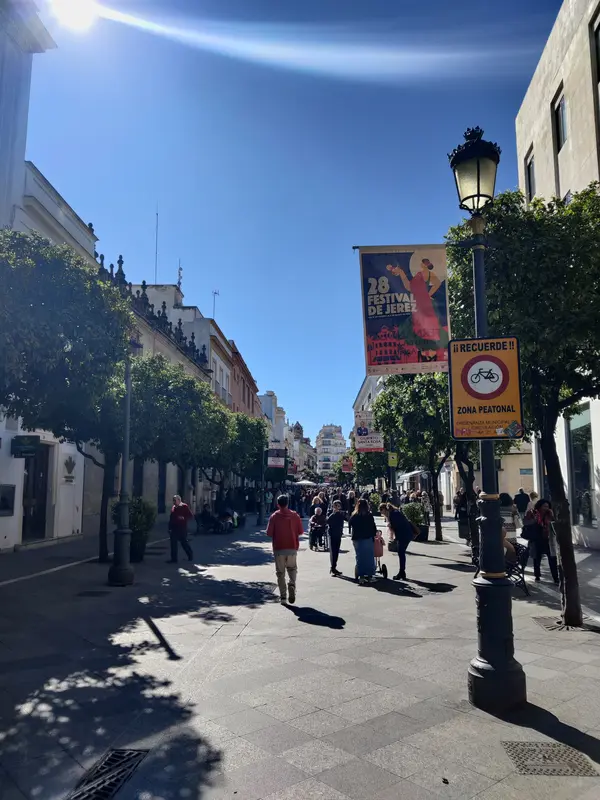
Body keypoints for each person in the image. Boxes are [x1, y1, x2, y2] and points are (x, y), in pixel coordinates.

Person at [266, 495, 303, 603]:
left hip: (279, 548)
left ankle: (283, 597)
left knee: (280, 573)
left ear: (278, 504)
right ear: (288, 503)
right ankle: (292, 583)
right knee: (292, 568)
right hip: (292, 547)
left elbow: (269, 533)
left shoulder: (274, 516)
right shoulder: (295, 515)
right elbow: (300, 532)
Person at [381, 503, 418, 581]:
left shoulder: (393, 515)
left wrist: (391, 527)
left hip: (403, 535)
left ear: (385, 509)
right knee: (401, 553)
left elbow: (397, 527)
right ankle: (402, 572)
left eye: (382, 512)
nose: (382, 514)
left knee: (401, 553)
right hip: (406, 534)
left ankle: (402, 572)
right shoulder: (395, 512)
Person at [348, 498, 377, 584]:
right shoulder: (369, 515)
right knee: (369, 557)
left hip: (357, 538)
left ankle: (361, 577)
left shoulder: (354, 515)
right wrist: (374, 534)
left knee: (360, 557)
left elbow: (350, 523)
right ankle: (370, 576)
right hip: (367, 537)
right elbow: (373, 526)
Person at [531, 499, 559, 584]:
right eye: (544, 506)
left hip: (548, 539)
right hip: (536, 539)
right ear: (539, 506)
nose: (546, 508)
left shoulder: (550, 514)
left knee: (552, 559)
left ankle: (556, 578)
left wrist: (552, 515)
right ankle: (537, 576)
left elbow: (554, 525)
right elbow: (527, 523)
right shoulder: (534, 513)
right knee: (537, 558)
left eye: (547, 506)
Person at [168, 495, 194, 563]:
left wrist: (183, 518)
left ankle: (190, 555)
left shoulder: (184, 506)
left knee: (184, 543)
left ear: (179, 500)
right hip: (174, 528)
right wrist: (169, 528)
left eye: (175, 500)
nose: (173, 502)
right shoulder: (173, 507)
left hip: (182, 528)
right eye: (173, 500)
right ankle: (174, 559)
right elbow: (171, 518)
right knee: (173, 544)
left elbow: (190, 515)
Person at [327, 501, 346, 576]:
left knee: (336, 551)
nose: (337, 508)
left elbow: (348, 519)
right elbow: (327, 521)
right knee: (333, 551)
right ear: (333, 506)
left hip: (338, 534)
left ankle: (334, 567)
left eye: (338, 506)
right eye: (336, 506)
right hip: (332, 534)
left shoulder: (341, 514)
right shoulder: (330, 513)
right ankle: (333, 567)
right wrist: (333, 513)